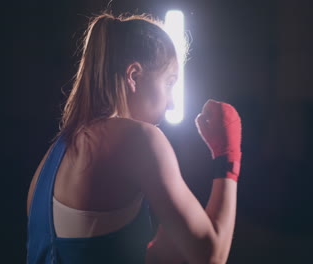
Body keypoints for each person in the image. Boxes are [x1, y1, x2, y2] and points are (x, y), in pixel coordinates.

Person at [26, 12, 242, 264]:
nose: (172, 102)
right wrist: (228, 156)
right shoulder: (140, 138)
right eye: (170, 82)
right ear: (134, 76)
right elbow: (212, 255)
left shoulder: (52, 157)